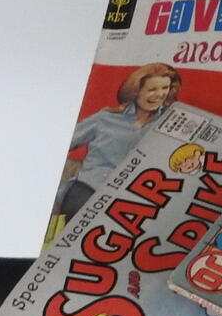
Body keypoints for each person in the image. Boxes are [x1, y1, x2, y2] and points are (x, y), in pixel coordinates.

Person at [54, 63, 180, 219]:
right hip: (89, 190)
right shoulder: (106, 118)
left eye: (165, 88)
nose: (160, 95)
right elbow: (60, 143)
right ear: (135, 92)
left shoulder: (171, 122)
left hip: (135, 198)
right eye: (152, 89)